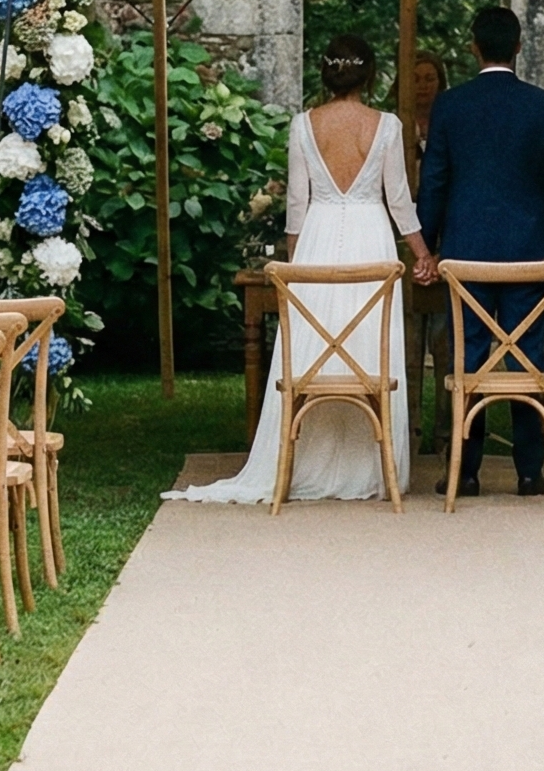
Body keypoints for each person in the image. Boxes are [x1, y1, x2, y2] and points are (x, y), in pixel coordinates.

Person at [167, 35, 430, 503]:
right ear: (369, 77)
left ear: (326, 75)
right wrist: (422, 254)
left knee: (314, 349)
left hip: (317, 241)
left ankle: (298, 459)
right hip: (373, 239)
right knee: (369, 350)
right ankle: (373, 468)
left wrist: (292, 263)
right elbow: (399, 201)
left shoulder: (303, 125)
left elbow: (296, 206)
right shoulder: (387, 125)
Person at [413, 6, 544, 497]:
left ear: (473, 47)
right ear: (519, 47)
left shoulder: (451, 106)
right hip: (529, 250)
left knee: (468, 357)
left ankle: (466, 469)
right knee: (528, 356)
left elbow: (435, 179)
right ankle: (529, 471)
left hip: (466, 251)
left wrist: (430, 245)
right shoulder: (543, 106)